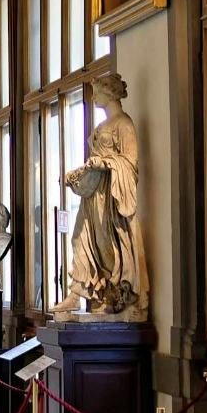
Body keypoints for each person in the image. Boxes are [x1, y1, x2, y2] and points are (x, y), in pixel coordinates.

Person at [54, 73, 147, 320]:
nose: (94, 97)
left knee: (110, 246)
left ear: (109, 92)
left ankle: (116, 294)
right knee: (81, 239)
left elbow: (131, 163)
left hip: (113, 197)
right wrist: (80, 173)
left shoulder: (124, 124)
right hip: (94, 195)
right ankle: (78, 293)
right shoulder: (101, 127)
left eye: (97, 91)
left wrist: (104, 163)